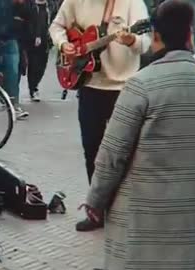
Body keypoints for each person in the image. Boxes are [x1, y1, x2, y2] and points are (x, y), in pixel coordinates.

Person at [83, 1, 195, 269]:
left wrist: (95, 201)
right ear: (190, 35)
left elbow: (112, 155)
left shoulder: (141, 85)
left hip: (147, 234)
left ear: (155, 36)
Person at [49, 0, 151, 231]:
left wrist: (132, 40)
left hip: (123, 88)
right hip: (90, 85)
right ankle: (96, 210)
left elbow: (145, 43)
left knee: (126, 153)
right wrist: (64, 44)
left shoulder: (132, 3)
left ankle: (125, 209)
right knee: (92, 149)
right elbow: (56, 26)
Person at [25, 0, 54, 101]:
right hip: (32, 40)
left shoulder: (50, 5)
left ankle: (35, 83)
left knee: (42, 65)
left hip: (46, 40)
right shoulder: (31, 5)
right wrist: (34, 35)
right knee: (33, 65)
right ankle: (33, 89)